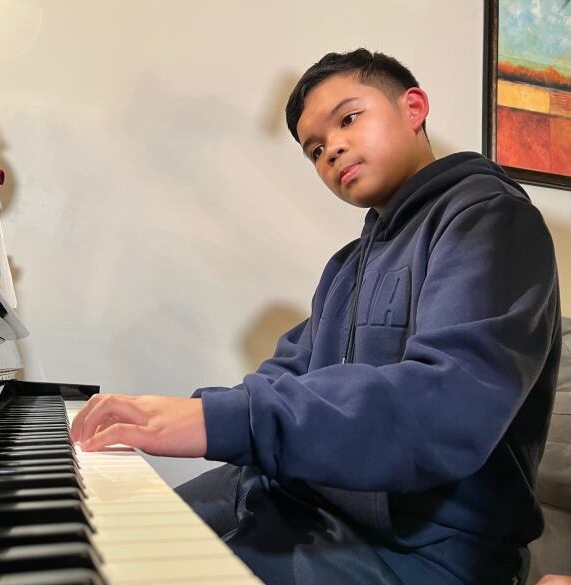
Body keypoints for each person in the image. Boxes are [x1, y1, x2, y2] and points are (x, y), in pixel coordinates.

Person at [71, 49, 562, 585]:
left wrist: (228, 423)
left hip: (421, 551)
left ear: (413, 107)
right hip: (309, 502)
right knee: (105, 539)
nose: (334, 150)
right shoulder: (346, 265)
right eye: (316, 149)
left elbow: (447, 407)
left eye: (349, 119)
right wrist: (181, 413)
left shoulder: (490, 219)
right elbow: (287, 374)